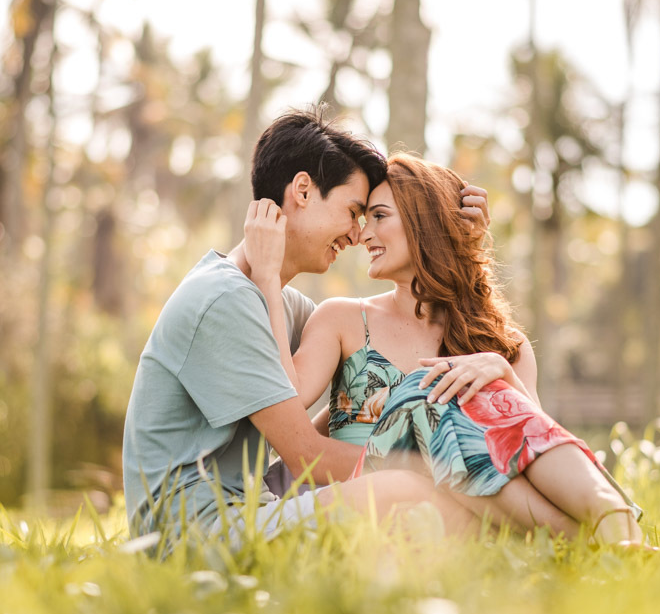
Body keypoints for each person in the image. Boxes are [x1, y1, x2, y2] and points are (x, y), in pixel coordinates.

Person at [121, 109, 493, 544]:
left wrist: (458, 247)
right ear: (302, 190)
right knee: (404, 491)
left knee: (412, 504)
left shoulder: (283, 304)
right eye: (353, 211)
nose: (357, 236)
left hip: (250, 506)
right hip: (188, 530)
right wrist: (439, 468)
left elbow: (348, 401)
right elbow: (303, 454)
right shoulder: (224, 300)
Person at [244, 153, 648, 547]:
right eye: (364, 220)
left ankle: (611, 526)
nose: (363, 235)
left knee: (476, 379)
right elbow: (288, 406)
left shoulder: (505, 345)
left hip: (481, 523)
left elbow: (531, 449)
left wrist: (502, 372)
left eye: (380, 217)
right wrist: (268, 280)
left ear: (427, 222)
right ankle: (594, 539)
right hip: (373, 507)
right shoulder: (343, 320)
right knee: (423, 393)